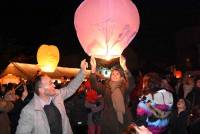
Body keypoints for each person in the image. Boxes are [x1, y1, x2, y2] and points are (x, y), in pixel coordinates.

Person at [16, 59, 88, 134]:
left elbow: (70, 88)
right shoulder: (29, 111)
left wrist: (82, 71)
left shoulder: (57, 95)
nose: (54, 85)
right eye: (50, 83)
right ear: (41, 90)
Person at [89, 55, 135, 134]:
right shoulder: (106, 88)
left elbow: (131, 82)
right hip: (108, 121)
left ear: (121, 77)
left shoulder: (124, 87)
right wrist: (93, 69)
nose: (114, 75)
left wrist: (124, 67)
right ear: (110, 76)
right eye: (113, 74)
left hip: (123, 119)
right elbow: (94, 85)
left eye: (117, 74)